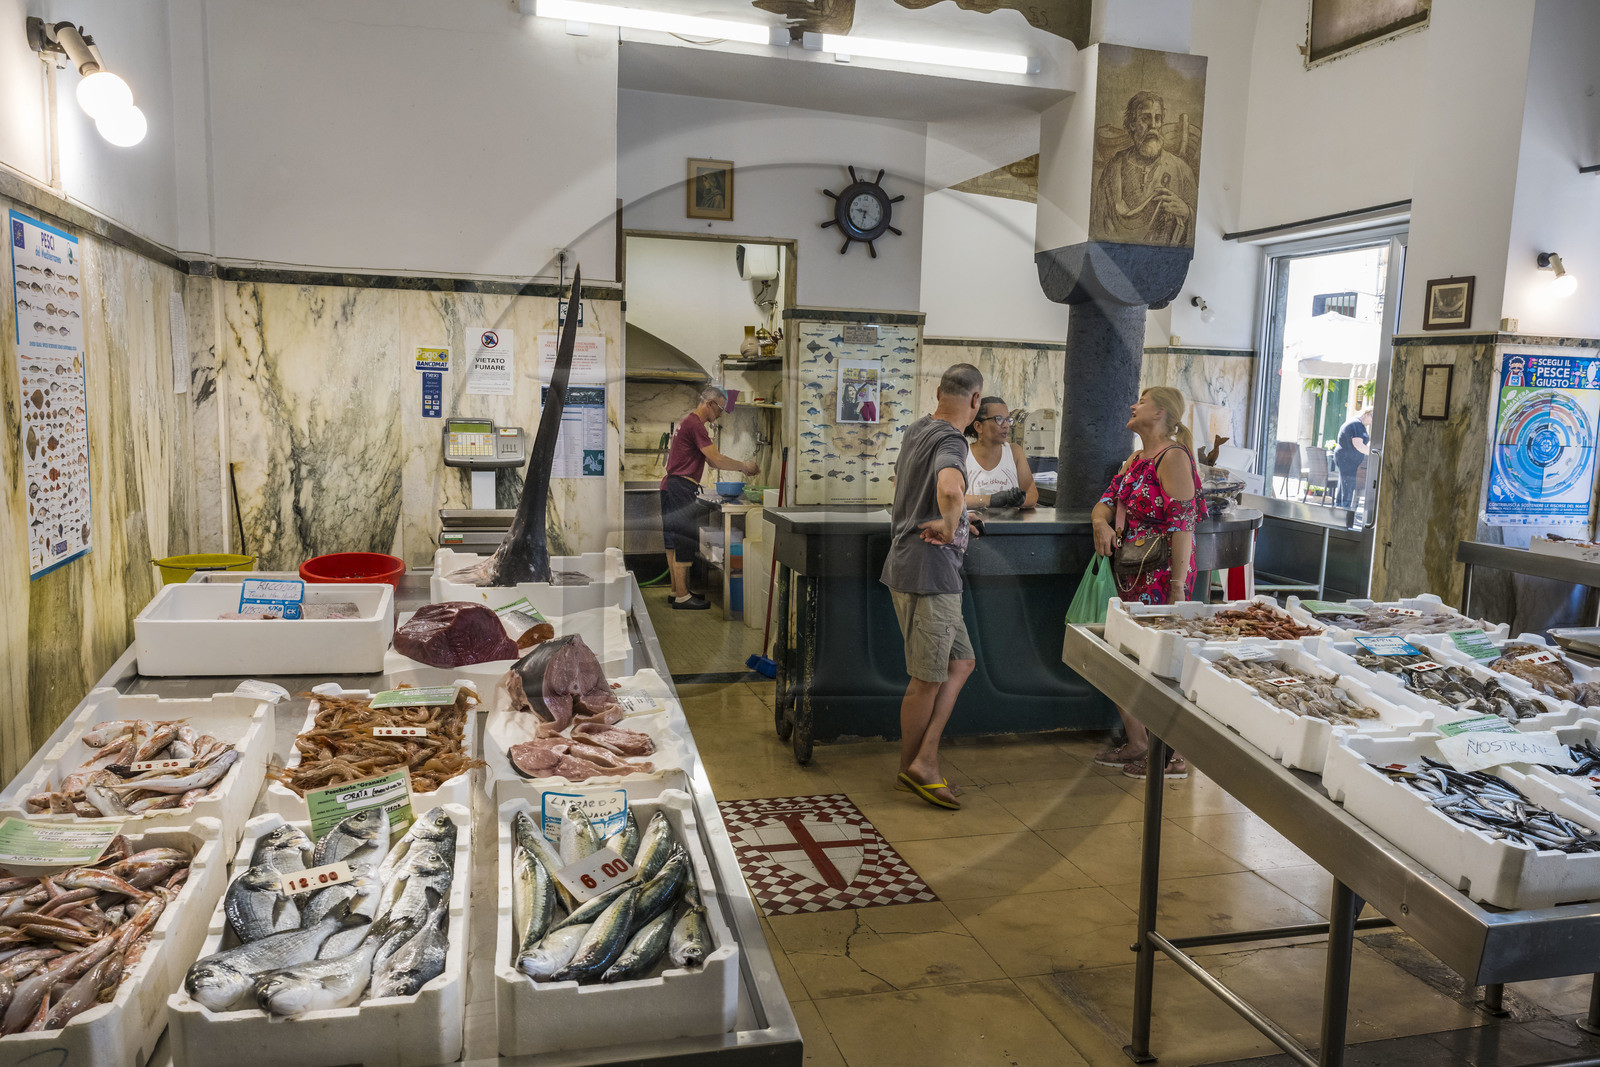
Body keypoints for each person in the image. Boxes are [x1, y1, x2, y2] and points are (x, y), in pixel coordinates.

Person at [881, 363, 984, 810]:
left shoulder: (919, 428)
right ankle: (915, 769)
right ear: (976, 402)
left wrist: (958, 520)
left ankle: (922, 760)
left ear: (939, 391)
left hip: (912, 566)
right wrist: (949, 522)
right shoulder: (951, 440)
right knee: (926, 679)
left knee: (961, 663)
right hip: (929, 573)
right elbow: (948, 488)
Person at [1090, 386, 1206, 779]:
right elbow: (1105, 502)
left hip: (1161, 576)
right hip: (1130, 573)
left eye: (1141, 401)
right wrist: (1098, 522)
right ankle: (1139, 741)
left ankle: (1172, 754)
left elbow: (1183, 525)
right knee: (1124, 656)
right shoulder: (1135, 458)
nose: (1131, 404)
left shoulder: (1173, 457)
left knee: (1159, 661)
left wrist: (1176, 588)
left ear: (1160, 414)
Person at [659, 386, 759, 610]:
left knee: (674, 541)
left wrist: (732, 465)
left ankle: (677, 591)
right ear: (710, 404)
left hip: (671, 486)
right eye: (721, 409)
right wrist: (745, 466)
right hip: (680, 487)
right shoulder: (696, 425)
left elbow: (712, 462)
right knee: (684, 539)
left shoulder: (688, 422)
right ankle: (683, 597)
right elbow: (718, 459)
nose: (721, 414)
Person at [1090, 91, 1198, 246]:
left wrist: (1186, 212)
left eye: (1158, 119)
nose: (1153, 126)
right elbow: (1098, 224)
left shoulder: (1182, 170)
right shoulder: (1113, 169)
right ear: (1132, 124)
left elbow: (1198, 229)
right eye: (1145, 118)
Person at [963, 396, 1037, 510]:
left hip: (1008, 527)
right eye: (999, 419)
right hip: (975, 526)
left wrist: (1020, 501)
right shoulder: (963, 455)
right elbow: (953, 500)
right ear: (978, 426)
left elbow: (1032, 496)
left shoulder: (1014, 452)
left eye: (1008, 419)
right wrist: (991, 500)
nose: (1006, 425)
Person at [1333, 408, 1372, 508]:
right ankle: (1345, 514)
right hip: (1347, 459)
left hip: (1347, 459)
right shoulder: (1357, 424)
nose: (1372, 422)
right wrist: (1372, 453)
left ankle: (1339, 511)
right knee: (1348, 487)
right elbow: (1358, 444)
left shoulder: (1358, 424)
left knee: (1344, 487)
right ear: (1366, 414)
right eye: (1373, 417)